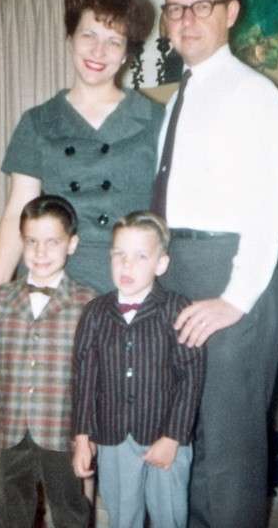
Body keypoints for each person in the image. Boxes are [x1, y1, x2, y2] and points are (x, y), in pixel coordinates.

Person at [154, 0, 278, 528]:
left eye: (201, 5)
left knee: (230, 450)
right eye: (175, 8)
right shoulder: (175, 101)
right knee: (186, 436)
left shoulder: (254, 94)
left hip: (228, 274)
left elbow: (267, 206)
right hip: (176, 272)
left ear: (230, 13)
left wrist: (235, 299)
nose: (186, 19)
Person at [0, 0, 163, 342]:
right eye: (88, 35)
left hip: (127, 280)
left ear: (126, 52)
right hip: (51, 279)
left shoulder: (155, 120)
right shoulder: (38, 121)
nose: (98, 51)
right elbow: (18, 212)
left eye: (114, 41)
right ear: (70, 38)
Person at [71, 210, 205, 528]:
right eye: (119, 254)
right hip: (113, 437)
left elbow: (191, 378)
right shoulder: (94, 312)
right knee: (122, 515)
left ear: (161, 264)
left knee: (169, 514)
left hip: (166, 434)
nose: (126, 265)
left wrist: (173, 437)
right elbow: (83, 379)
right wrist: (82, 438)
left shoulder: (177, 308)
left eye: (140, 256)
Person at [0, 194, 98, 528]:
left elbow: (92, 377)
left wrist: (86, 434)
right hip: (11, 427)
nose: (40, 252)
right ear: (22, 242)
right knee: (11, 506)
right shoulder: (1, 298)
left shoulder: (88, 301)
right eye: (31, 242)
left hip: (62, 428)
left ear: (72, 244)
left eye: (52, 242)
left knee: (69, 506)